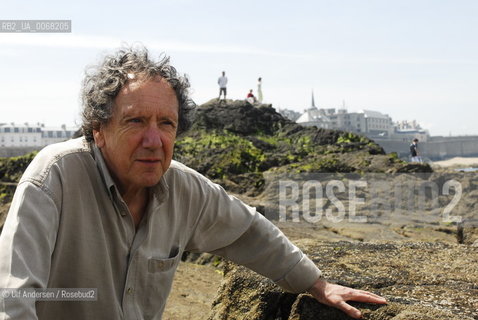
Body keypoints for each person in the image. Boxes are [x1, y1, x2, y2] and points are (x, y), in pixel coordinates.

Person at [0, 46, 386, 320]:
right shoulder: (54, 178)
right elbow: (14, 299)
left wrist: (317, 285)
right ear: (98, 130)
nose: (154, 141)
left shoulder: (184, 189)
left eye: (166, 124)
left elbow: (248, 232)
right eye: (135, 121)